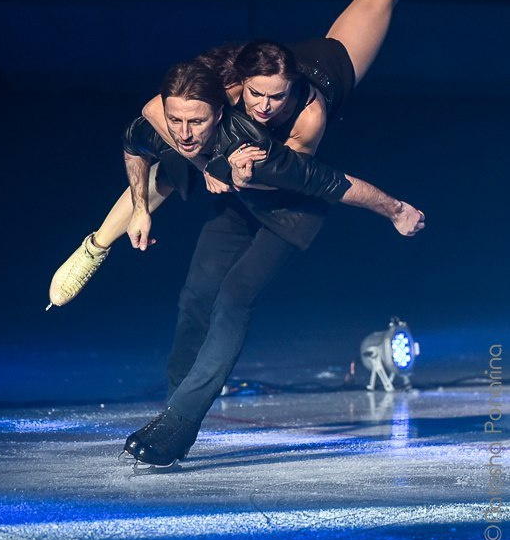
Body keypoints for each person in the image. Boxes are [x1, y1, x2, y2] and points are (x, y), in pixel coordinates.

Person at [47, 0, 471, 309]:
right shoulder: (227, 90)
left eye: (274, 98)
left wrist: (233, 170)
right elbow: (153, 113)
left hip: (325, 69)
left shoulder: (308, 117)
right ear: (243, 86)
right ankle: (96, 244)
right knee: (169, 158)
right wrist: (204, 158)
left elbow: (294, 171)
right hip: (263, 85)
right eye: (256, 96)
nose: (265, 107)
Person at [119, 58, 424, 467]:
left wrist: (396, 209)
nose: (184, 134)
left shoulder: (254, 147)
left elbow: (336, 183)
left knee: (232, 297)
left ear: (220, 113)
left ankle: (181, 421)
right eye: (175, 120)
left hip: (289, 213)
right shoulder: (170, 127)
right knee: (196, 297)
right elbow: (133, 142)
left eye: (196, 122)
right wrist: (140, 207)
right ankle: (174, 412)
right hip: (238, 207)